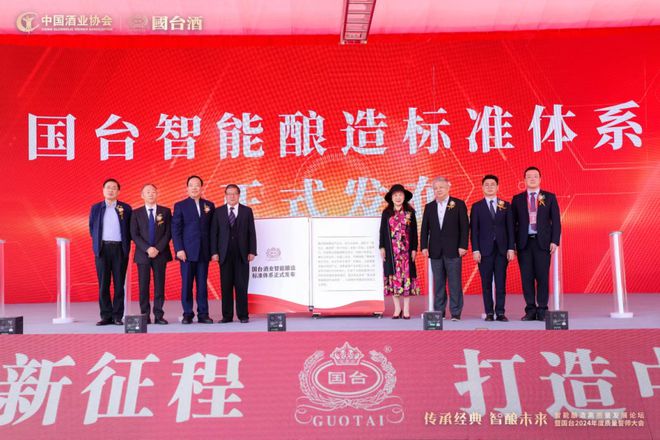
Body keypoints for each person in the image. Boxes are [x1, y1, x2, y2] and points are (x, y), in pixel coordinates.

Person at [511, 166, 561, 321]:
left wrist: (554, 241)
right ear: (524, 180)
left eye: (535, 176)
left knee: (542, 277)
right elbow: (512, 224)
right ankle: (530, 309)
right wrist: (512, 245)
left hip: (543, 243)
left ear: (540, 179)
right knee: (526, 278)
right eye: (529, 176)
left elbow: (556, 221)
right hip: (524, 244)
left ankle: (542, 309)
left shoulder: (549, 197)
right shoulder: (517, 199)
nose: (532, 179)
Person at [421, 176, 469, 320]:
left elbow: (465, 227)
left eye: (441, 187)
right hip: (435, 250)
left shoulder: (458, 204)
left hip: (454, 250)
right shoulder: (429, 207)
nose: (438, 190)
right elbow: (424, 229)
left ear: (448, 187)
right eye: (436, 188)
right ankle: (439, 312)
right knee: (439, 283)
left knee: (454, 283)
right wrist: (424, 246)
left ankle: (455, 312)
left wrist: (463, 245)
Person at [470, 175, 515, 322]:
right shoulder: (477, 206)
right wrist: (475, 250)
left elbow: (510, 228)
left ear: (498, 187)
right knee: (486, 283)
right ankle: (489, 312)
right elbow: (474, 231)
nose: (490, 187)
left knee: (501, 282)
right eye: (487, 185)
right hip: (484, 251)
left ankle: (500, 312)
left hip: (502, 250)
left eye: (493, 184)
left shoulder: (505, 205)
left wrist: (511, 248)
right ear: (482, 187)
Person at [211, 184, 257, 323]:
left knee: (241, 285)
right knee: (226, 286)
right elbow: (214, 234)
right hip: (224, 254)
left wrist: (252, 251)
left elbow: (251, 232)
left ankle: (243, 315)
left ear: (239, 195)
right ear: (225, 195)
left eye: (234, 193)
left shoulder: (247, 211)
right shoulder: (218, 212)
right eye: (229, 194)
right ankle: (227, 316)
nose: (231, 196)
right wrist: (214, 252)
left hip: (242, 254)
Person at [172, 176, 215, 324]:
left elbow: (213, 230)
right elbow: (175, 229)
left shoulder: (209, 205)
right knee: (187, 285)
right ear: (187, 188)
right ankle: (188, 313)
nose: (194, 188)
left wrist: (213, 251)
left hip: (203, 251)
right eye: (191, 185)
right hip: (186, 252)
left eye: (197, 185)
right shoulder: (180, 205)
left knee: (202, 285)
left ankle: (203, 314)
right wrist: (179, 249)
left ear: (201, 188)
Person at [89, 178, 132, 326]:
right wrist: (99, 243)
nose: (111, 190)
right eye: (108, 187)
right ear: (103, 190)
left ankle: (117, 316)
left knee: (119, 284)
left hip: (119, 249)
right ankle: (106, 316)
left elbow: (130, 229)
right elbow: (92, 228)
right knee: (103, 284)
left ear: (118, 191)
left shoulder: (126, 208)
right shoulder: (96, 208)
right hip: (102, 249)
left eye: (114, 188)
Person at [129, 184, 172, 325]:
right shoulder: (136, 213)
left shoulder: (165, 211)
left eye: (153, 191)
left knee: (159, 286)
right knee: (143, 286)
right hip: (143, 254)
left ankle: (159, 315)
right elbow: (134, 234)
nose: (151, 194)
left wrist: (157, 249)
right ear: (142, 195)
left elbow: (168, 233)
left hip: (161, 253)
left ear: (157, 194)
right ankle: (145, 315)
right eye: (148, 192)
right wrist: (148, 249)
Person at [379, 184, 419, 319]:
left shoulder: (410, 212)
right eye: (395, 195)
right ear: (391, 198)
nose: (398, 198)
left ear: (404, 197)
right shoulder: (386, 213)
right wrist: (382, 247)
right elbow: (382, 232)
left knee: (406, 279)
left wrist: (414, 249)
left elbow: (414, 233)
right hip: (392, 253)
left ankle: (406, 309)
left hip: (406, 253)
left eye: (400, 195)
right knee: (394, 279)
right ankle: (397, 308)